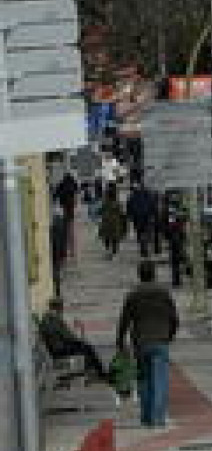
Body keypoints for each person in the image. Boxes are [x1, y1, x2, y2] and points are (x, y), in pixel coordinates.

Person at [116, 261, 179, 428]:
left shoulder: (133, 295)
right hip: (160, 341)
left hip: (141, 342)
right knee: (160, 380)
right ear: (154, 274)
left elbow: (124, 320)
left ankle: (146, 416)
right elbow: (174, 318)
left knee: (143, 380)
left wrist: (120, 341)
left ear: (139, 274)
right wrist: (170, 335)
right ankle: (157, 417)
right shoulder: (164, 293)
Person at [38, 298, 107, 381]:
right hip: (60, 349)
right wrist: (79, 338)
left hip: (56, 347)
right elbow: (67, 336)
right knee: (87, 348)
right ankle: (100, 373)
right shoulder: (54, 319)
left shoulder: (46, 318)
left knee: (85, 347)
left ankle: (95, 372)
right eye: (61, 307)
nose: (62, 309)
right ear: (58, 307)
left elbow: (64, 335)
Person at [126, 183, 156, 258]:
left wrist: (130, 216)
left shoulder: (133, 195)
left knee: (140, 232)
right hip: (147, 217)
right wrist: (153, 215)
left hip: (137, 217)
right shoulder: (149, 195)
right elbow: (153, 205)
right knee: (146, 232)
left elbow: (129, 206)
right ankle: (145, 245)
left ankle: (143, 246)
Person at [54, 172, 79, 256]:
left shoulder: (61, 185)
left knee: (63, 232)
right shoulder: (73, 185)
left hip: (62, 209)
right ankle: (72, 251)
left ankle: (64, 251)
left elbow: (55, 196)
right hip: (70, 209)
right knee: (71, 231)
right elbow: (76, 196)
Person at [98, 185, 126, 258]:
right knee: (114, 238)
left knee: (107, 237)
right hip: (115, 222)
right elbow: (122, 213)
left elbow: (100, 211)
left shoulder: (105, 203)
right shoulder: (117, 203)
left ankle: (108, 251)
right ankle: (114, 252)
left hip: (106, 222)